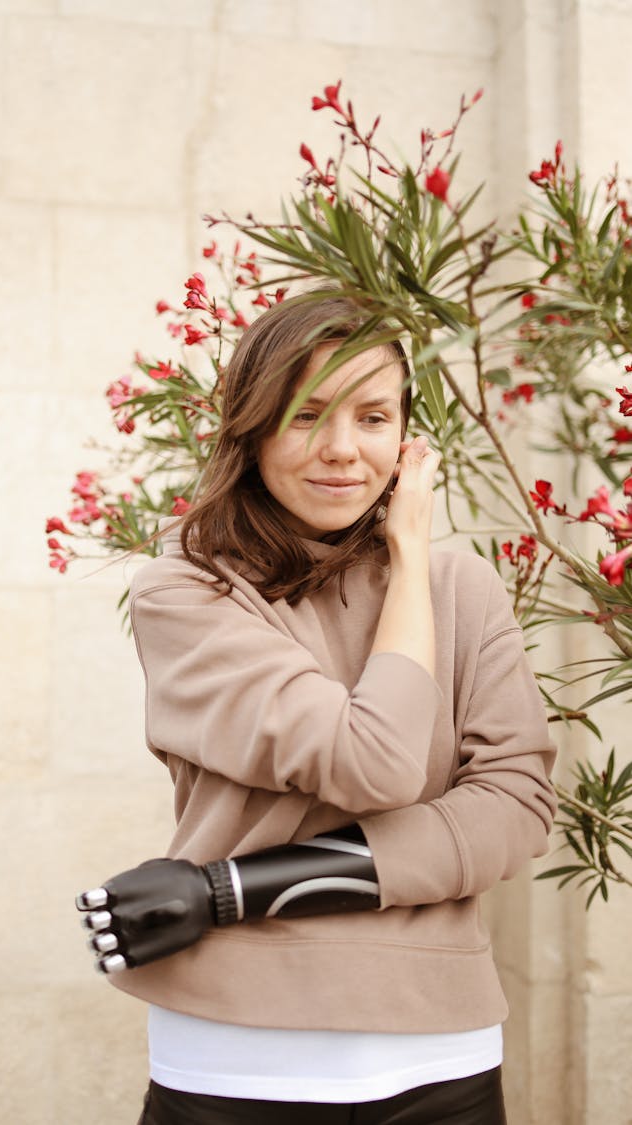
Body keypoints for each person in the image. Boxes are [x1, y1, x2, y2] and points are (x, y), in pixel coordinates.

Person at [78, 292, 556, 1124]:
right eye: (306, 415)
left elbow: (516, 807)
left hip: (444, 1051)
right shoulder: (188, 593)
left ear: (407, 439)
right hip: (240, 1061)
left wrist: (231, 889)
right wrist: (412, 566)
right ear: (253, 428)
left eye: (372, 416)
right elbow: (377, 763)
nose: (341, 450)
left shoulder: (463, 589)